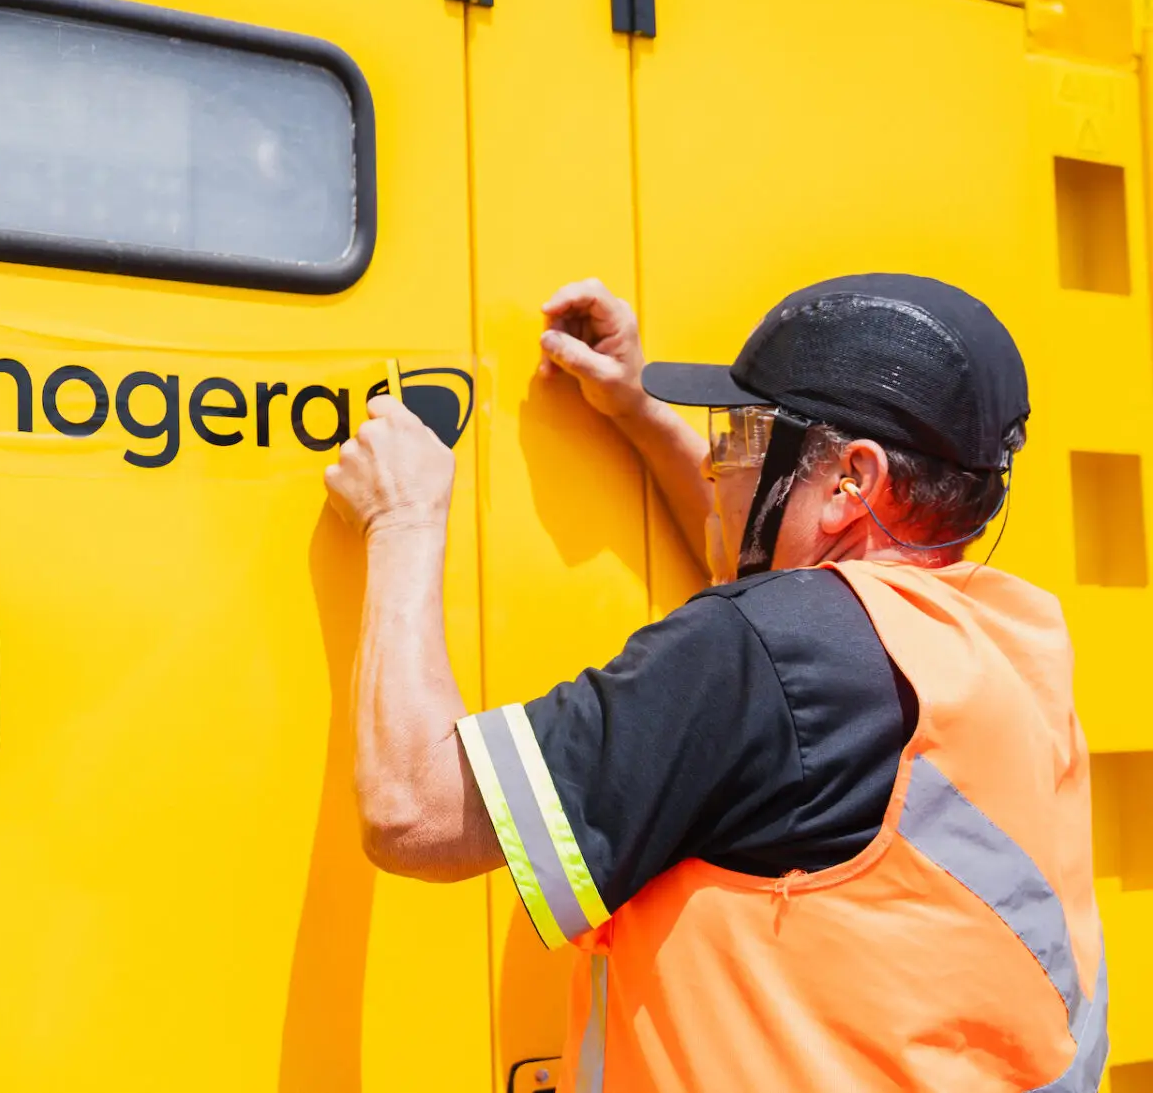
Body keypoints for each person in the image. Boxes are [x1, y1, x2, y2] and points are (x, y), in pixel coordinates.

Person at [324, 273, 1105, 1091]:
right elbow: (785, 626)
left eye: (742, 436)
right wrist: (634, 408)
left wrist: (402, 518)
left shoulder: (769, 650)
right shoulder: (1003, 638)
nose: (713, 469)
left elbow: (415, 808)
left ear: (852, 481)